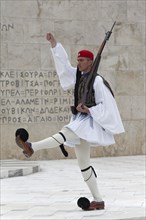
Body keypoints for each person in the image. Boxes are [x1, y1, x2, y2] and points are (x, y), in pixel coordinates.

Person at [15, 32, 125, 211]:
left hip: (89, 122)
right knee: (83, 163)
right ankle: (98, 200)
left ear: (91, 62)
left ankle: (31, 146)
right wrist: (55, 45)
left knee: (64, 133)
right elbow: (64, 67)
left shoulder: (97, 81)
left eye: (82, 60)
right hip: (80, 120)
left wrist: (89, 109)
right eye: (78, 59)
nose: (79, 62)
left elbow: (108, 106)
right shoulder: (79, 76)